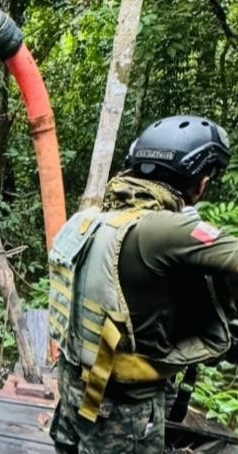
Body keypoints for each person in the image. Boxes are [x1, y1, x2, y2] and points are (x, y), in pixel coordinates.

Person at [48, 115, 237, 453]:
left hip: (77, 393)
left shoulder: (89, 222)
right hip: (122, 413)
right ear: (201, 185)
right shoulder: (164, 231)